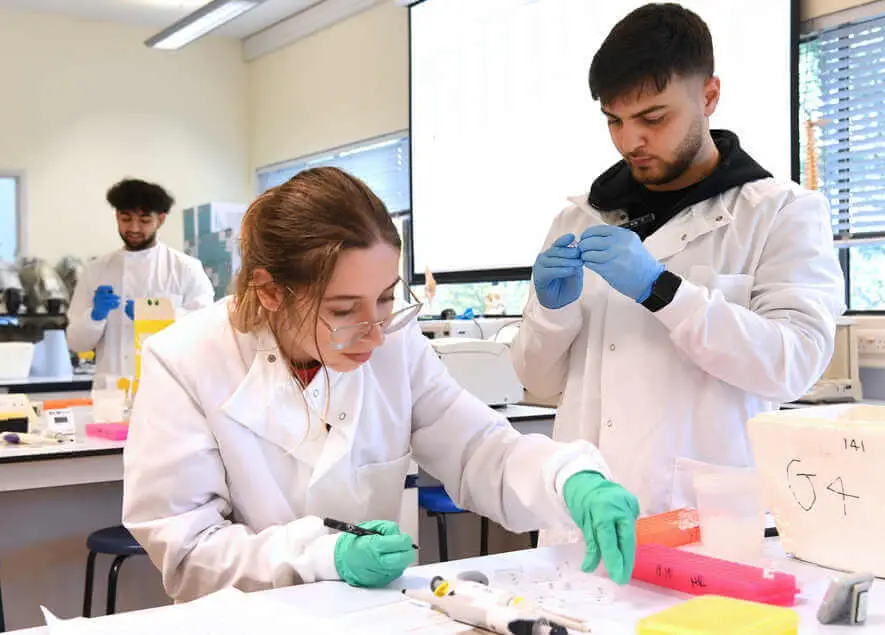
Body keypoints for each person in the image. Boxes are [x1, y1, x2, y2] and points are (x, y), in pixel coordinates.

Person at [122, 167, 640, 602]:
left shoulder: (394, 342)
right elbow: (188, 550)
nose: (374, 333)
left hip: (376, 616)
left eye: (387, 298)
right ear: (271, 292)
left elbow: (478, 448)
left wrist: (566, 478)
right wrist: (322, 556)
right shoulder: (186, 360)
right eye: (343, 310)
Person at [511, 3, 845, 515]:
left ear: (709, 96)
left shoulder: (780, 212)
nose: (630, 141)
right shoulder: (577, 220)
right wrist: (551, 315)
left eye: (654, 118)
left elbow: (793, 364)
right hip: (583, 518)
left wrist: (663, 291)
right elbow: (538, 380)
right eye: (614, 121)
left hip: (704, 518)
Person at [66, 178, 214, 378]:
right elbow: (76, 343)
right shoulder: (95, 271)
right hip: (111, 386)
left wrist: (156, 314)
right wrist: (94, 316)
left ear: (160, 219)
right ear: (117, 216)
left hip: (166, 386)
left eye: (144, 221)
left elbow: (206, 328)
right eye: (126, 219)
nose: (134, 228)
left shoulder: (186, 268)